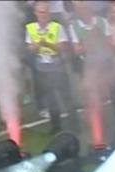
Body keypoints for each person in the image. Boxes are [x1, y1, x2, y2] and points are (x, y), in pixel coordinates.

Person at [69, 0, 115, 142]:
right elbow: (77, 50)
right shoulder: (74, 26)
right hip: (89, 66)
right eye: (79, 9)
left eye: (84, 9)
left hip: (106, 63)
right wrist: (91, 42)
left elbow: (109, 43)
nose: (83, 12)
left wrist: (91, 41)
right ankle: (101, 127)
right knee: (94, 98)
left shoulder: (101, 22)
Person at [25, 1, 76, 134]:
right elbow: (29, 47)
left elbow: (62, 47)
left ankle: (74, 123)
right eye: (41, 12)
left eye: (46, 12)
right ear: (36, 13)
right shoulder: (31, 28)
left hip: (58, 66)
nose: (44, 15)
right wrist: (37, 46)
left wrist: (46, 44)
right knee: (50, 98)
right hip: (42, 68)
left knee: (66, 96)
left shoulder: (57, 27)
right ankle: (56, 126)